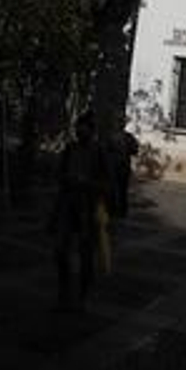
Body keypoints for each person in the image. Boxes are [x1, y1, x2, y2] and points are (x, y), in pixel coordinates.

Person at [50, 112, 110, 310]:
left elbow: (107, 184)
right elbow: (58, 174)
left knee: (86, 256)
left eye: (84, 127)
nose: (80, 131)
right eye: (78, 127)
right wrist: (66, 178)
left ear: (91, 131)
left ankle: (83, 297)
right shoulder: (70, 149)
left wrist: (88, 183)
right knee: (60, 250)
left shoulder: (99, 153)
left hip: (88, 209)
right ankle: (63, 291)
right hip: (67, 205)